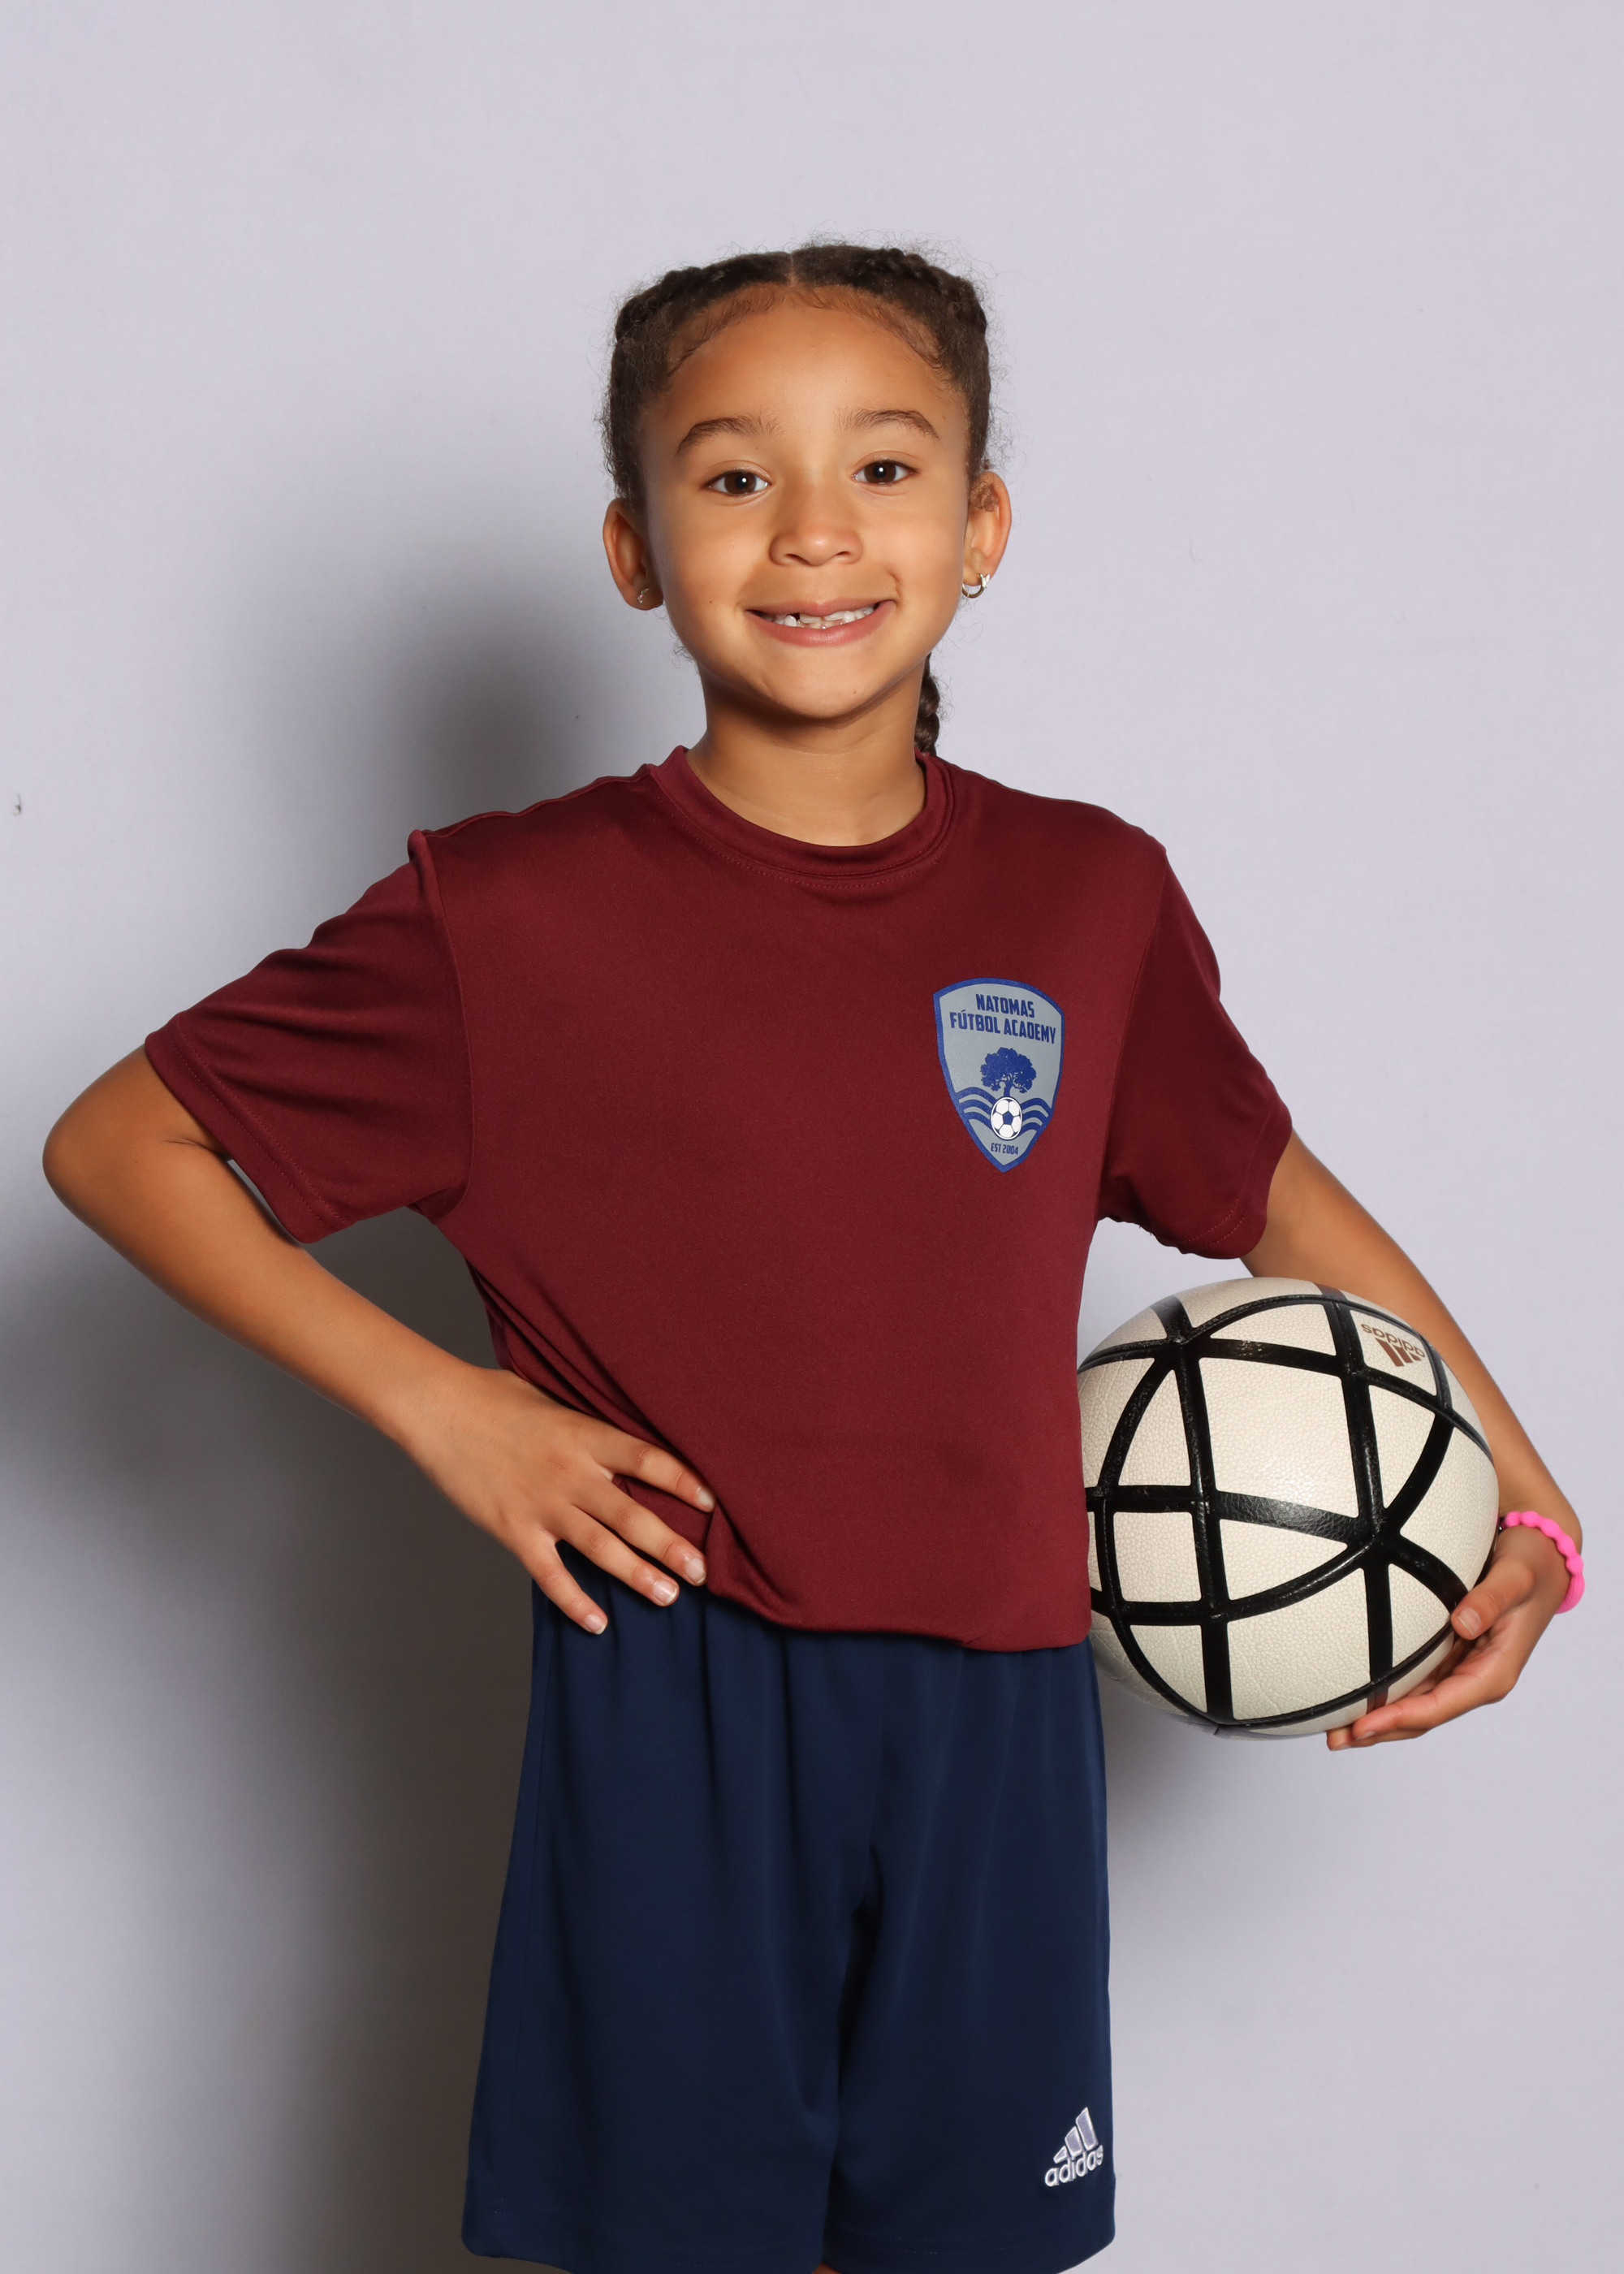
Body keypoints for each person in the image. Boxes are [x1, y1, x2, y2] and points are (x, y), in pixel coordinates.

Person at [43, 244, 1583, 2274]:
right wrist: (453, 1410)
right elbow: (119, 1145)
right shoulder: (506, 916)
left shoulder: (1089, 894)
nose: (814, 531)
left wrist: (1521, 1494)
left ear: (981, 524)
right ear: (633, 547)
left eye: (882, 464)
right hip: (676, 1701)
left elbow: (1267, 1191)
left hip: (1006, 1712)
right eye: (732, 476)